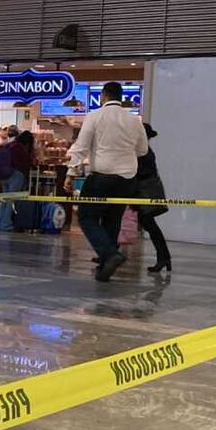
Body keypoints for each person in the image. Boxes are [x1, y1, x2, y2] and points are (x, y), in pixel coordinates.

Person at [64, 82, 148, 282]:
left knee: (86, 216)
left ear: (103, 96)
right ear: (121, 97)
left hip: (101, 175)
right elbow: (142, 150)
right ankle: (104, 268)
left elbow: (81, 147)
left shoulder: (94, 116)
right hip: (127, 179)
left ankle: (110, 255)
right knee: (113, 219)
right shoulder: (134, 120)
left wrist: (71, 173)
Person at [134, 123, 172, 273]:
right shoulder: (146, 151)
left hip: (145, 192)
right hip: (148, 191)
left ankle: (164, 257)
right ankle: (164, 257)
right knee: (149, 224)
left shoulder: (142, 153)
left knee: (149, 224)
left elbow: (141, 173)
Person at [0, 125, 25, 231]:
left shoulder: (3, 144)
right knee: (11, 200)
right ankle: (6, 224)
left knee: (4, 199)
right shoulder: (18, 146)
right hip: (15, 174)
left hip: (3, 175)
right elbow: (23, 161)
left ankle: (0, 222)